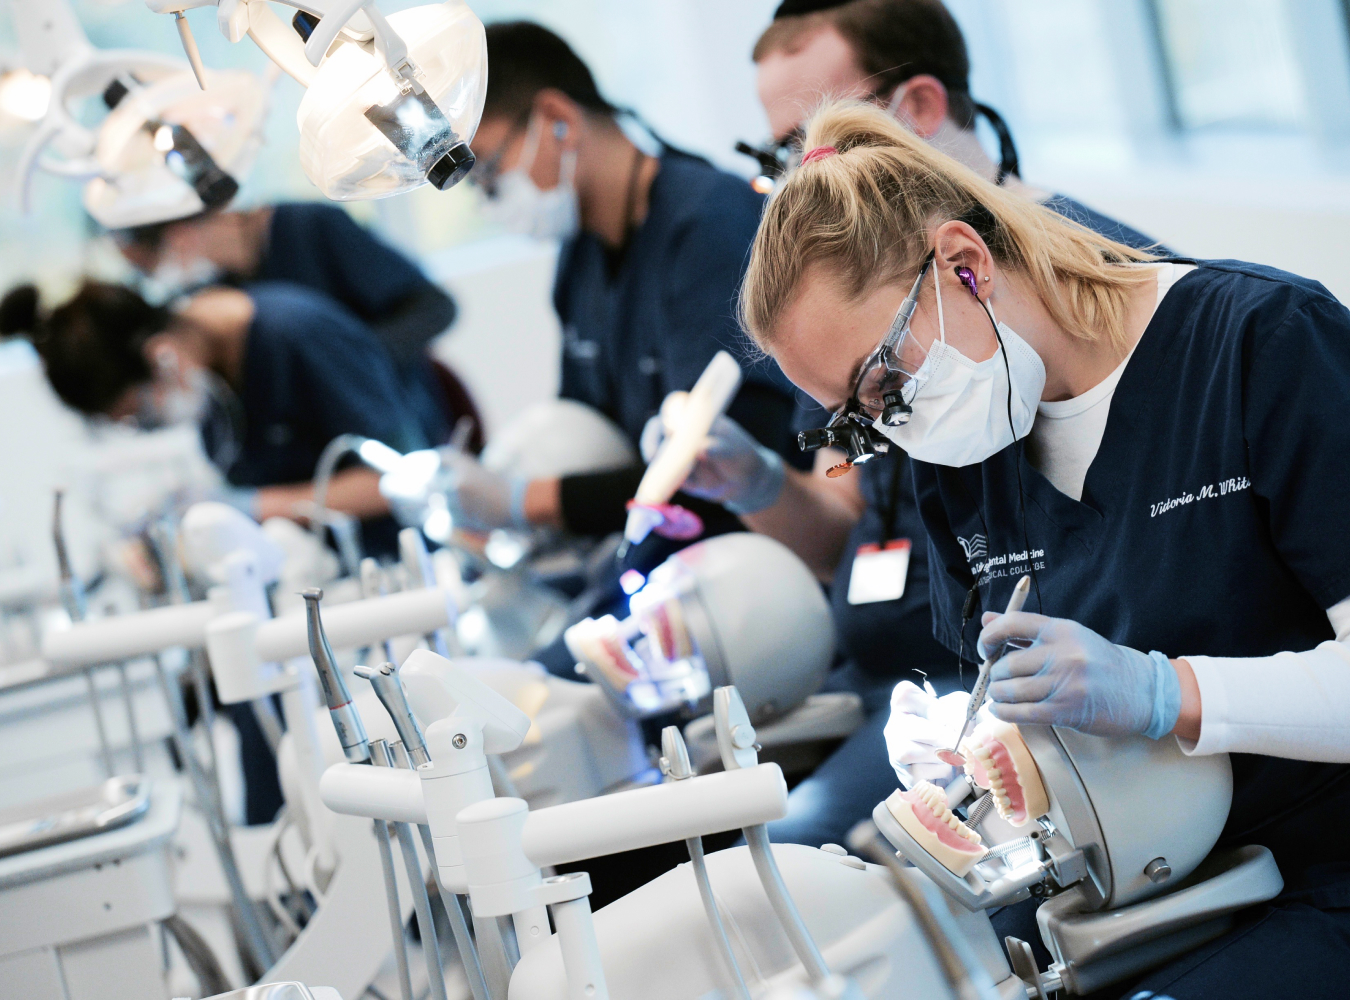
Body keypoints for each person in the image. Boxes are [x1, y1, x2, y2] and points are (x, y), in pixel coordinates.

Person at [738, 97, 1350, 998]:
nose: (893, 430)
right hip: (1142, 891)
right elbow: (1025, 690)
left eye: (886, 383)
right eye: (861, 420)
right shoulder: (965, 448)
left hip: (1320, 872)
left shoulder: (1261, 345)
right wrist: (975, 744)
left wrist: (1162, 692)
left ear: (964, 262)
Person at [654, 0, 1166, 849]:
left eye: (820, 141)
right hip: (920, 697)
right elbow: (847, 531)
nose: (803, 178)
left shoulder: (1083, 313)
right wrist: (752, 483)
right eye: (780, 156)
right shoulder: (842, 323)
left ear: (920, 112)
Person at [1, 278, 429, 824]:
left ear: (162, 357)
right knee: (245, 716)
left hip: (381, 587)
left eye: (140, 414)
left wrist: (252, 507)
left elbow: (399, 479)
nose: (145, 425)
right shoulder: (217, 380)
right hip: (301, 602)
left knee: (280, 737)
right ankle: (294, 877)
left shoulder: (299, 335)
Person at [433, 21, 805, 561]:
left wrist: (523, 502)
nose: (488, 201)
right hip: (652, 546)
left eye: (487, 171)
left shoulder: (709, 226)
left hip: (745, 556)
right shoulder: (579, 258)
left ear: (559, 120)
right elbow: (582, 435)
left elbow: (724, 465)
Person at [113, 203, 473, 450]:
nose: (154, 281)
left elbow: (436, 307)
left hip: (398, 424)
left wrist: (348, 361)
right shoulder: (213, 297)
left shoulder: (310, 228)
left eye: (148, 267)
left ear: (180, 235)